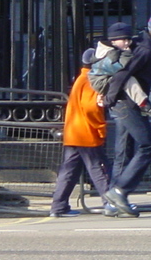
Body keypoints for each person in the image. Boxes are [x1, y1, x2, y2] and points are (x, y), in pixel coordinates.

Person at [102, 12, 151, 217]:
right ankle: (120, 191)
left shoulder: (143, 45)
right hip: (127, 104)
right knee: (148, 146)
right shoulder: (145, 50)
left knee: (124, 150)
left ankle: (113, 202)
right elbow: (122, 74)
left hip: (123, 103)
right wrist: (110, 98)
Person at [50, 47, 118, 218]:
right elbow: (91, 108)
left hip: (74, 131)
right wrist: (101, 128)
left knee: (69, 170)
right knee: (100, 169)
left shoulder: (81, 78)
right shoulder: (90, 80)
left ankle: (58, 206)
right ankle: (110, 203)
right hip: (86, 133)